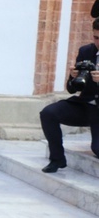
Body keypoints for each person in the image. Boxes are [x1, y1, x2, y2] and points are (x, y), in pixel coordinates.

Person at [39, 18, 99, 173]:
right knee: (48, 113)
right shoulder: (86, 51)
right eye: (96, 38)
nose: (98, 42)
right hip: (86, 105)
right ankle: (57, 159)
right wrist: (73, 77)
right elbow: (72, 89)